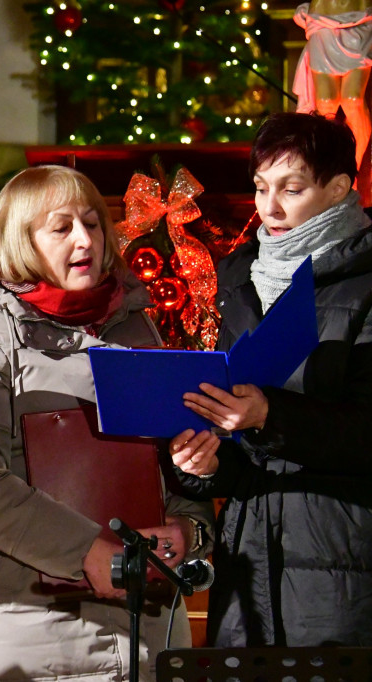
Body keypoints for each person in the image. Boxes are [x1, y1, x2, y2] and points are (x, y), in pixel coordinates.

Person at [0, 165, 215, 681]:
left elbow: (169, 458)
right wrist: (84, 551)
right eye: (61, 228)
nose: (84, 238)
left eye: (92, 223)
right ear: (22, 242)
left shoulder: (135, 322)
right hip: (34, 632)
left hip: (149, 630)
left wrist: (187, 527)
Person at [170, 112, 372, 647]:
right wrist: (207, 465)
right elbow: (239, 454)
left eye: (292, 188)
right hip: (249, 559)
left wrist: (269, 415)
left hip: (346, 558)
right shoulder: (239, 278)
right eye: (261, 188)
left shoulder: (365, 282)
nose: (270, 208)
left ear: (338, 189)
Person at [293, 1, 372, 174]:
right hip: (322, 19)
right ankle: (327, 169)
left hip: (360, 17)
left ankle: (352, 172)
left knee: (353, 100)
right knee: (325, 102)